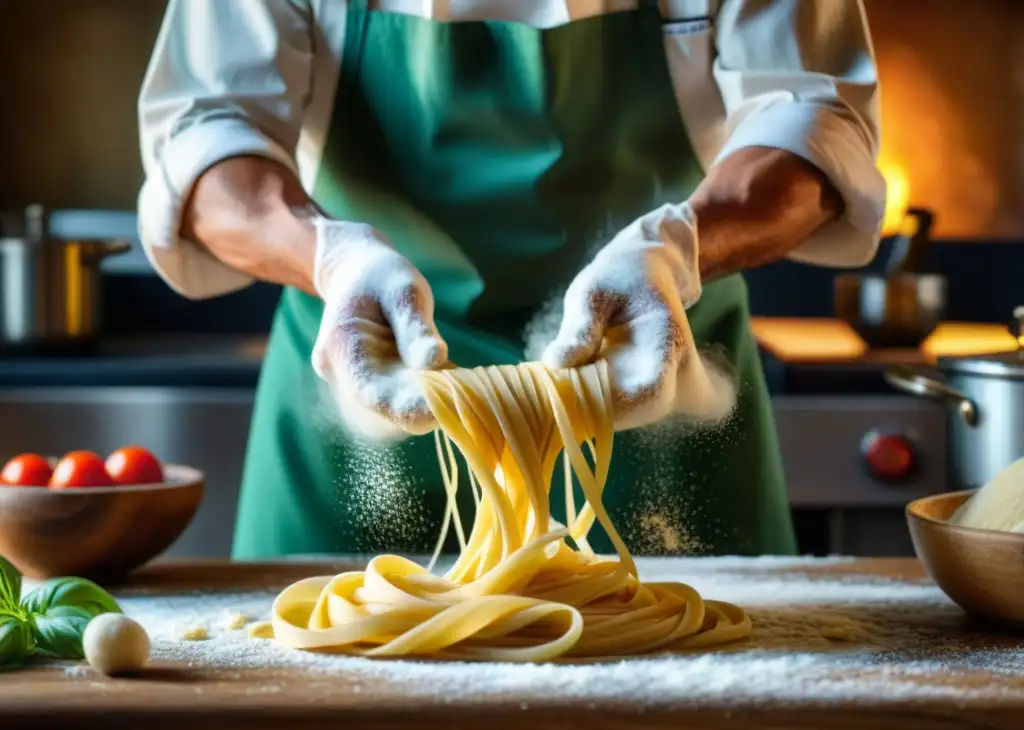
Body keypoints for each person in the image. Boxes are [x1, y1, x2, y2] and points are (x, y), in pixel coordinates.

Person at [137, 0, 885, 559]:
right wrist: (334, 262)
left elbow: (815, 121)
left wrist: (676, 250)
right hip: (364, 396)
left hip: (655, 391)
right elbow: (205, 131)